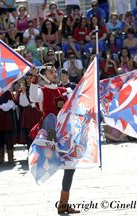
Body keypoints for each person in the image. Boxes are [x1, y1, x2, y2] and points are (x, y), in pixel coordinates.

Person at [29, 62, 80, 214]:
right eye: (51, 72)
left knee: (70, 169)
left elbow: (76, 105)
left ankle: (63, 205)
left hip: (64, 133)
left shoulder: (65, 90)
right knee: (51, 116)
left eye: (55, 71)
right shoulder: (42, 91)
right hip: (48, 130)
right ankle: (50, 141)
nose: (55, 74)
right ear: (44, 76)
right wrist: (34, 77)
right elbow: (32, 97)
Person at [16, 73, 42, 149]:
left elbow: (40, 101)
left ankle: (38, 152)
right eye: (27, 78)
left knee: (38, 132)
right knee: (28, 134)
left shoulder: (39, 88)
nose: (29, 80)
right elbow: (23, 104)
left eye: (31, 78)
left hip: (36, 113)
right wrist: (23, 92)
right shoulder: (22, 89)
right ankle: (30, 152)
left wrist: (32, 105)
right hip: (27, 115)